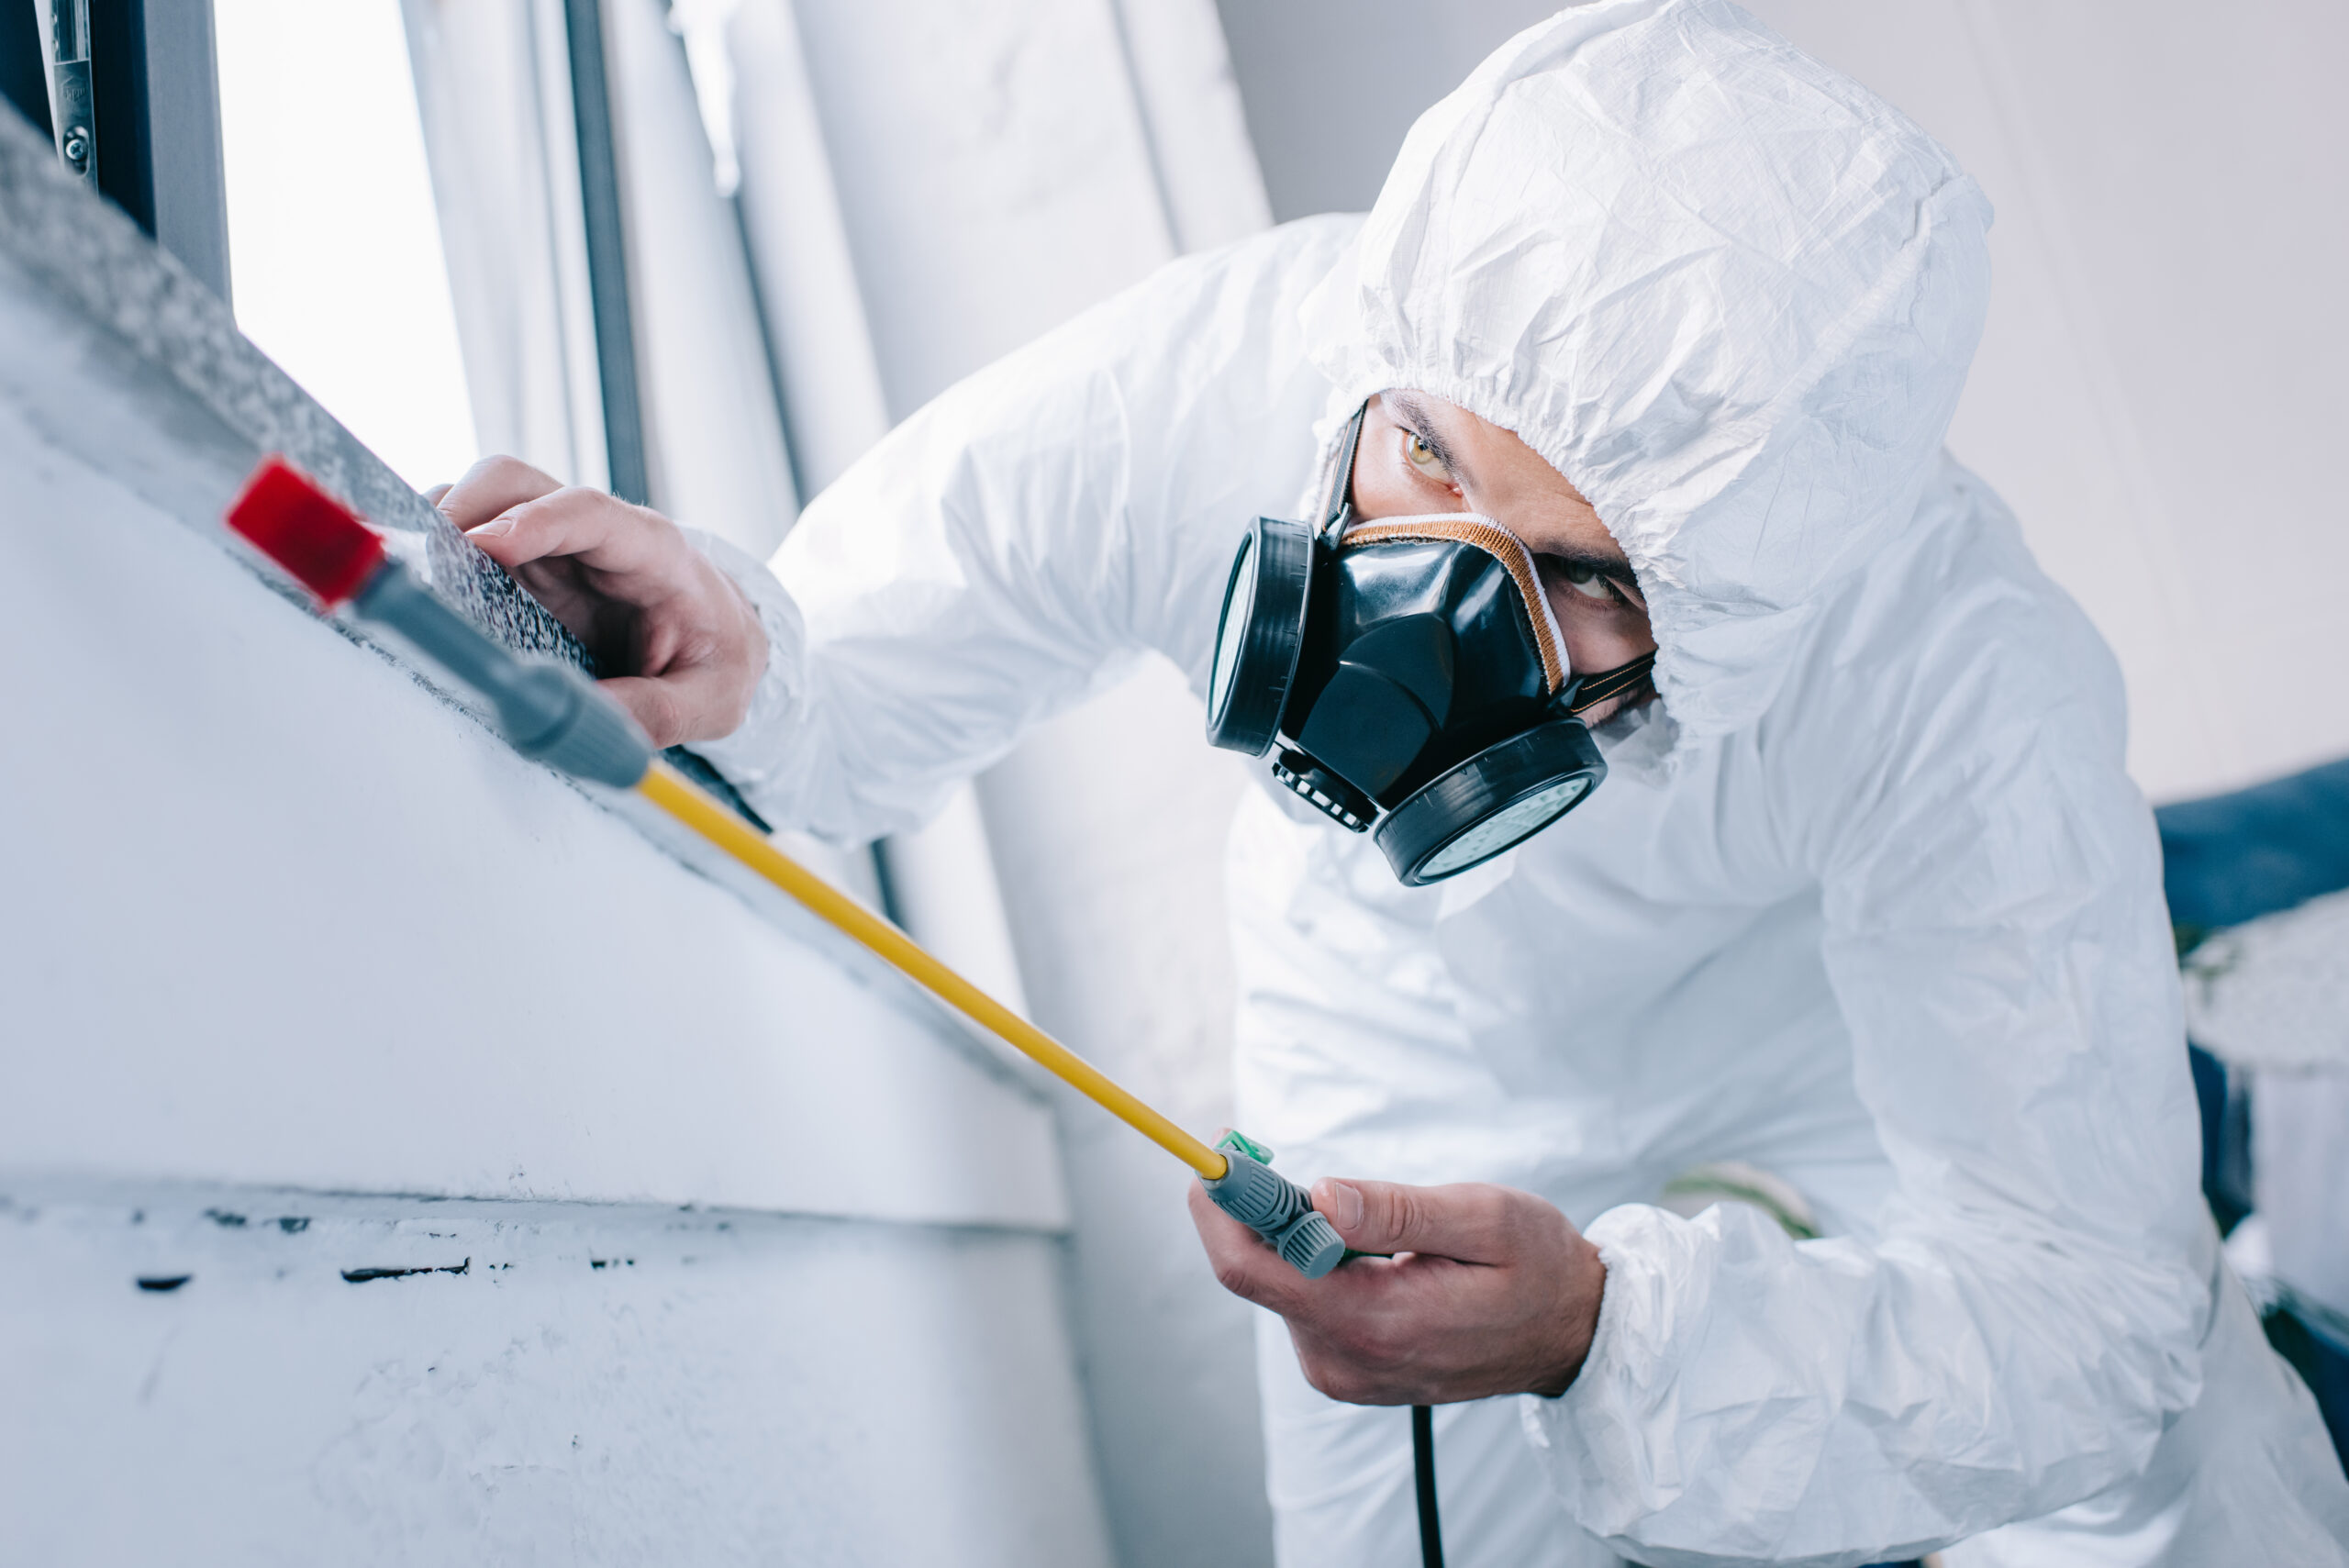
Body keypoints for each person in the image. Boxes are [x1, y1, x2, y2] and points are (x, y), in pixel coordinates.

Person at [433, 1, 2349, 1561]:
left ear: (1737, 604)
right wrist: (735, 648)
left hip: (1826, 1039)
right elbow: (852, 663)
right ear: (1384, 356)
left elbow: (2076, 1315)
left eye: (1581, 576)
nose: (1428, 605)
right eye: (1428, 457)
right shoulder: (1238, 369)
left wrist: (1611, 1332)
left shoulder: (1952, 666)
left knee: (2175, 1474)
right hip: (1394, 1030)